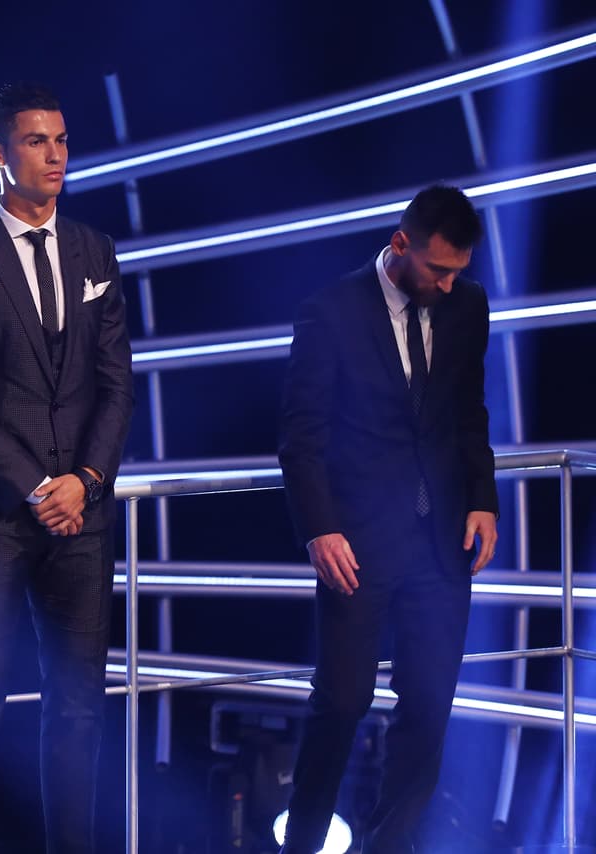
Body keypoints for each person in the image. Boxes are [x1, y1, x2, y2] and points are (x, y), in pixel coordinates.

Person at [0, 82, 135, 854]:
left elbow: (116, 381)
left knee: (79, 705)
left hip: (83, 515)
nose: (55, 156)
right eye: (38, 141)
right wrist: (38, 487)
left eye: (63, 140)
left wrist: (87, 480)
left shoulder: (94, 250)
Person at [276, 184, 498, 854]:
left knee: (428, 713)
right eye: (438, 269)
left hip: (442, 545)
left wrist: (484, 498)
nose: (450, 283)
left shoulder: (468, 307)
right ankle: (302, 844)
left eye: (459, 270)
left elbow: (468, 414)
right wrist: (320, 527)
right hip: (358, 544)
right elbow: (301, 436)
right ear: (401, 244)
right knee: (341, 705)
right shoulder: (331, 312)